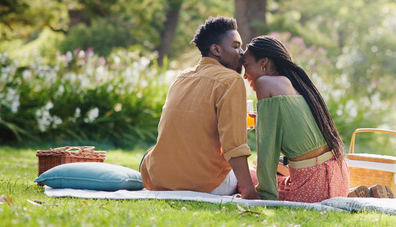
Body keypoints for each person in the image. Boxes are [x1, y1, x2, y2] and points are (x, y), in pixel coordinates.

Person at [140, 16, 259, 199]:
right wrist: (249, 191)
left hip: (158, 180)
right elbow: (234, 144)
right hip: (205, 184)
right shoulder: (231, 80)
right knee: (255, 174)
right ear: (216, 49)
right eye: (236, 46)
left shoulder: (182, 76)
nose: (242, 53)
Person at [241, 36, 350, 202]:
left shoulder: (265, 83)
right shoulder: (295, 83)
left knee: (245, 177)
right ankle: (356, 192)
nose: (244, 75)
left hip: (313, 186)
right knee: (261, 173)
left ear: (264, 62)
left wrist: (265, 194)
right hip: (338, 180)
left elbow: (267, 150)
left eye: (246, 66)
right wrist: (262, 122)